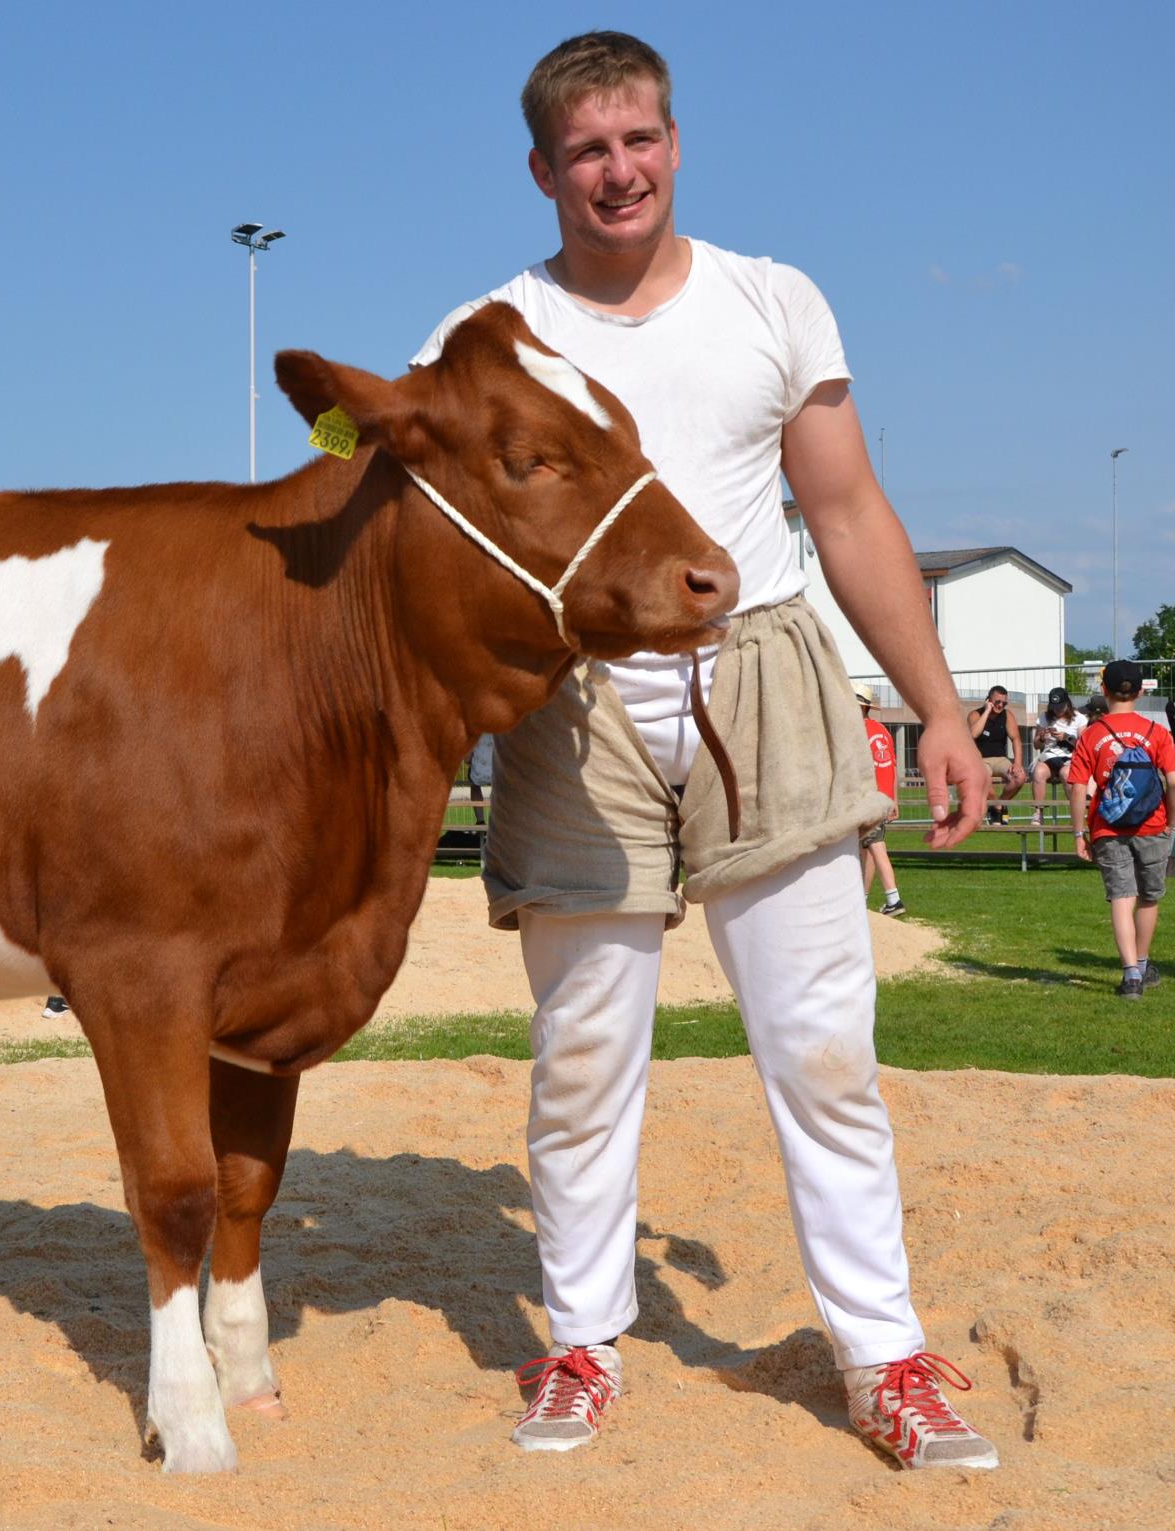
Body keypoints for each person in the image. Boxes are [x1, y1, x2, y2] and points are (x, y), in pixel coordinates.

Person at [411, 31, 995, 1470]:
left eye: (641, 139)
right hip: (578, 706)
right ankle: (582, 1346)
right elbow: (427, 555)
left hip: (764, 676)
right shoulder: (485, 336)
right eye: (589, 150)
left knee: (822, 1048)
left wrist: (939, 703)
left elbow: (848, 513)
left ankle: (885, 1358)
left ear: (676, 142)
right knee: (585, 1050)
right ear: (543, 170)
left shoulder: (772, 299)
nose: (620, 170)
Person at [1066, 660, 1175, 999]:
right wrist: (1171, 821)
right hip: (1152, 825)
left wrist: (1078, 833)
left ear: (1103, 691)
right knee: (1148, 896)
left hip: (1107, 827)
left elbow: (1076, 786)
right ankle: (1142, 964)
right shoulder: (1158, 733)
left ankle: (1130, 976)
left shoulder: (1092, 734)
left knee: (1121, 896)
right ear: (1141, 692)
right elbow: (1172, 780)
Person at [856, 683, 903, 915]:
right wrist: (894, 799)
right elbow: (892, 767)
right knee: (870, 847)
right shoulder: (882, 730)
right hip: (883, 796)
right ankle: (861, 899)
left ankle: (893, 897)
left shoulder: (855, 732)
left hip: (867, 797)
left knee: (875, 846)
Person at [967, 685, 1025, 825]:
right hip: (980, 760)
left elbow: (1016, 739)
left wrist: (1017, 763)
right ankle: (996, 809)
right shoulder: (975, 715)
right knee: (982, 777)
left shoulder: (1007, 715)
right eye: (997, 702)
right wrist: (987, 711)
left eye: (1004, 703)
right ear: (988, 700)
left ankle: (999, 805)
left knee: (1020, 777)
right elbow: (974, 734)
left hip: (1000, 759)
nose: (1000, 706)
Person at [1027, 687, 1081, 824]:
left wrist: (1067, 737)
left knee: (1066, 774)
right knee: (1038, 772)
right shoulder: (1044, 718)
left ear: (1067, 703)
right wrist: (1042, 738)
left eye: (1060, 707)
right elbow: (1036, 745)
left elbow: (1083, 745)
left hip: (1070, 757)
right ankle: (1038, 812)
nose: (1057, 710)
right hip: (1049, 757)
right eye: (1054, 707)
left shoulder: (1079, 718)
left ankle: (1076, 813)